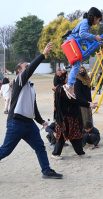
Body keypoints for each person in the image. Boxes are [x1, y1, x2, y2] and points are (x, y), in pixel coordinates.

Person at [0, 43, 63, 179]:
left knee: (40, 147)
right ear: (19, 71)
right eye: (25, 67)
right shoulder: (19, 80)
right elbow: (30, 70)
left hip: (28, 124)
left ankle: (46, 171)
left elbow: (33, 108)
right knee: (5, 150)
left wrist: (41, 122)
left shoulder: (30, 87)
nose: (28, 68)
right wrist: (43, 54)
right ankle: (46, 170)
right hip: (16, 123)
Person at [63, 7, 103, 99]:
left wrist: (97, 42)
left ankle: (70, 86)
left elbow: (84, 38)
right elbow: (82, 34)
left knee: (79, 62)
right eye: (98, 19)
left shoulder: (86, 24)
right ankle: (68, 86)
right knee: (77, 65)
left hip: (72, 43)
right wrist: (95, 37)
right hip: (71, 43)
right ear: (93, 17)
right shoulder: (85, 23)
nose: (98, 22)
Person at [52, 85, 87, 160]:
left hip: (72, 118)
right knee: (61, 136)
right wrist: (89, 104)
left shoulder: (69, 92)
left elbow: (76, 101)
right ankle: (55, 154)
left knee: (75, 136)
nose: (72, 87)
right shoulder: (64, 92)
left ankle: (80, 152)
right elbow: (75, 101)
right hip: (63, 119)